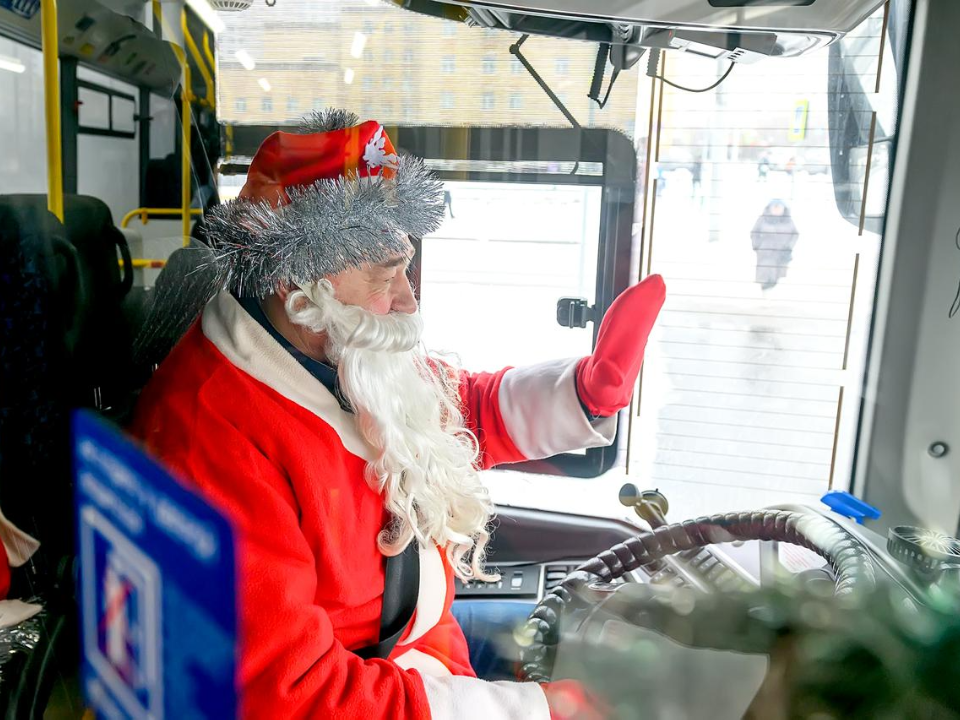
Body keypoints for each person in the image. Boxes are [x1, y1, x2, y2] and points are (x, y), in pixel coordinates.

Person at [131, 109, 666, 720]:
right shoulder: (209, 437)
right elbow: (290, 694)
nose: (409, 299)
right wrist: (537, 711)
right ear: (295, 280)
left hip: (425, 648)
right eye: (386, 277)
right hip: (369, 689)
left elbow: (452, 410)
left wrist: (584, 393)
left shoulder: (326, 342)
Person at [750, 199, 799, 290]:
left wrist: (789, 246)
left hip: (781, 252)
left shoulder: (788, 220)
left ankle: (773, 289)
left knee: (778, 275)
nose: (777, 210)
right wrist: (756, 245)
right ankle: (765, 290)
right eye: (774, 207)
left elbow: (795, 234)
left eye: (779, 208)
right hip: (765, 251)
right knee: (765, 274)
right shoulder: (763, 219)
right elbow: (754, 232)